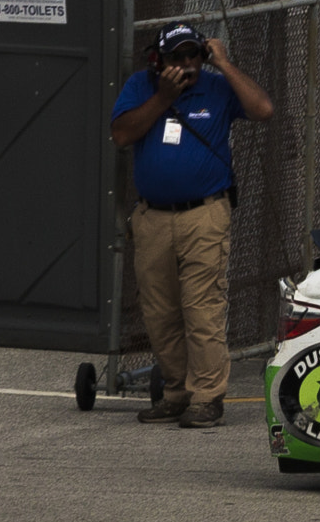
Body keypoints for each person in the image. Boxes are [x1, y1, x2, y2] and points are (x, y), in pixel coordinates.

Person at [110, 22, 275, 428]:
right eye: (176, 57)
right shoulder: (140, 86)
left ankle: (207, 396)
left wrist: (224, 64)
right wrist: (164, 97)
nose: (186, 65)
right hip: (152, 217)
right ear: (159, 60)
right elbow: (121, 134)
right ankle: (176, 391)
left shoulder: (217, 88)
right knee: (160, 311)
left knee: (202, 307)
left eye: (193, 56)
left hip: (204, 214)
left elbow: (263, 109)